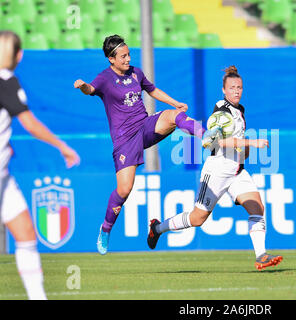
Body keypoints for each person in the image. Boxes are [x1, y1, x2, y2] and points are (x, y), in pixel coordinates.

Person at [73, 34, 217, 255]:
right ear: (111, 59)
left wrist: (174, 102)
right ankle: (105, 229)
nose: (128, 59)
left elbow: (152, 90)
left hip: (145, 126)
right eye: (123, 56)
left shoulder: (136, 73)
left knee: (174, 115)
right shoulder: (104, 78)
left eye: (129, 54)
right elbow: (91, 90)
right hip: (125, 140)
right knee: (124, 189)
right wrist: (83, 85)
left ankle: (207, 137)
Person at [147, 66, 283, 271]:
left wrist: (244, 150)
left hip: (237, 171)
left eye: (240, 87)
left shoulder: (239, 110)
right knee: (197, 218)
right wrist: (251, 143)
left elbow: (236, 143)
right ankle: (157, 228)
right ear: (224, 90)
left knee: (257, 207)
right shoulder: (222, 111)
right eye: (232, 88)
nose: (237, 91)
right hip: (217, 169)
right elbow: (217, 142)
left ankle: (261, 256)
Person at [0, 30, 80, 299]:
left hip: (3, 179)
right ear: (19, 56)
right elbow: (30, 124)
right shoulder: (6, 82)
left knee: (26, 236)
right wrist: (63, 147)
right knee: (26, 238)